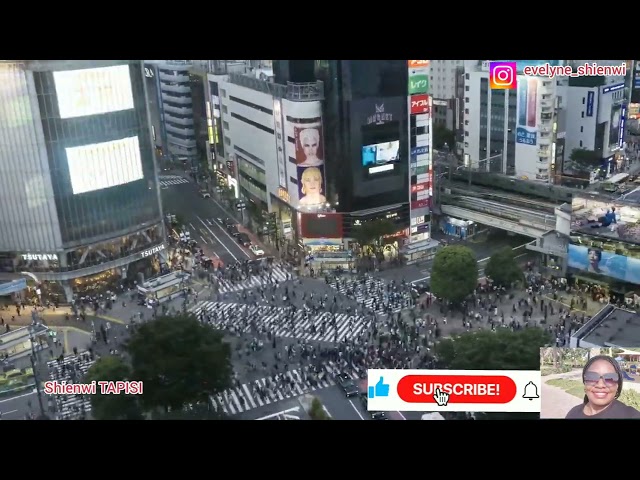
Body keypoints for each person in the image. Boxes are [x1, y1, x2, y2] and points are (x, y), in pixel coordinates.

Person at [565, 354, 640, 419]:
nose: (600, 385)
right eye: (592, 377)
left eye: (610, 378)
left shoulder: (631, 415)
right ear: (584, 382)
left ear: (618, 385)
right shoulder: (573, 414)